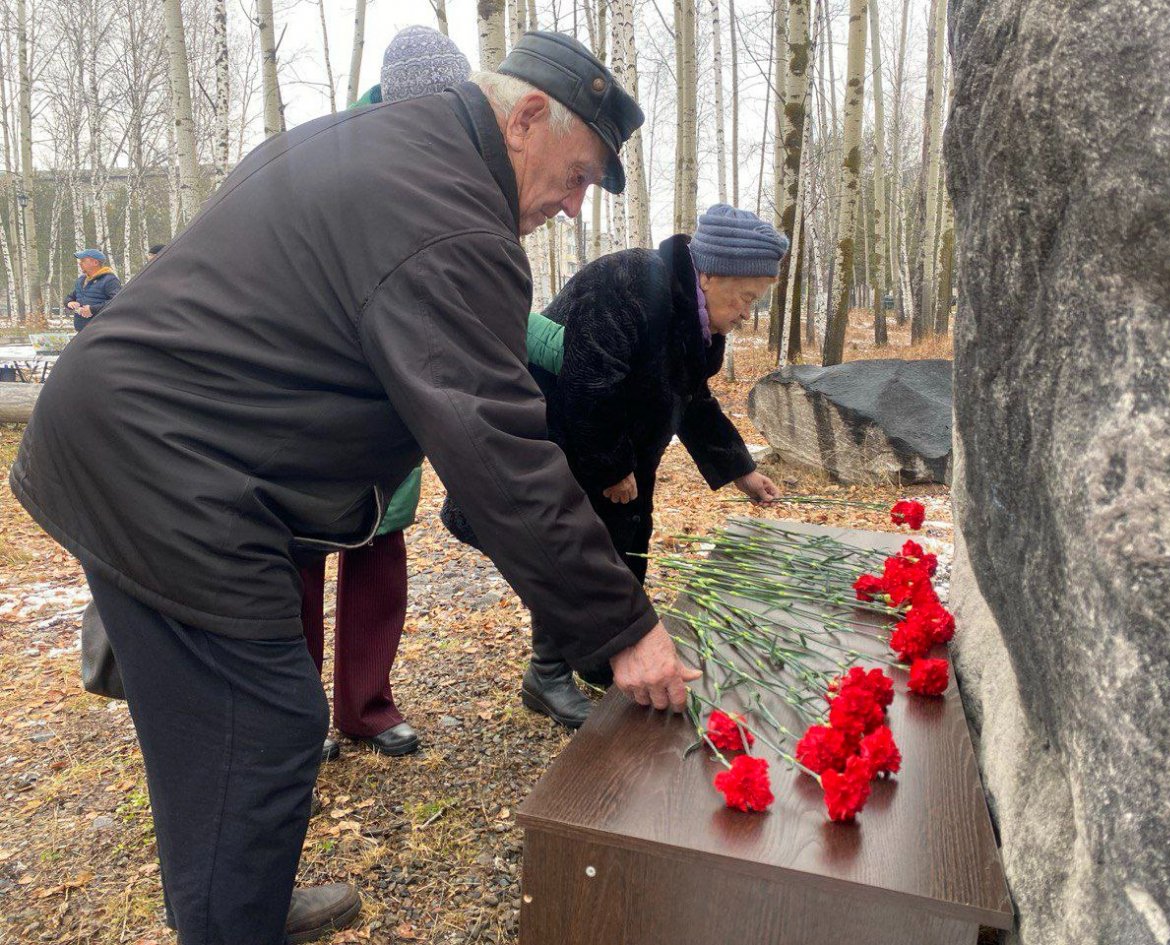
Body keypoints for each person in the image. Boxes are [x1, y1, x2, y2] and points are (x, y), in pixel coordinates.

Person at [10, 31, 698, 945]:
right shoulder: (447, 214)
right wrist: (624, 628)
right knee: (262, 724)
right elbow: (496, 449)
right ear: (527, 116)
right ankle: (230, 921)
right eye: (577, 176)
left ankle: (233, 895)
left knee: (220, 725)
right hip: (167, 465)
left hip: (148, 445)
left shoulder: (378, 145)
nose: (574, 207)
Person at [443, 203, 785, 728]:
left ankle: (605, 659)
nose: (746, 313)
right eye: (745, 299)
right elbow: (587, 383)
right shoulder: (628, 282)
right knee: (564, 554)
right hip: (558, 444)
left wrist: (739, 468)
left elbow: (692, 399)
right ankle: (548, 675)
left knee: (617, 555)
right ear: (711, 273)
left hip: (616, 454)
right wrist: (610, 467)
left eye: (755, 302)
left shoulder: (697, 319)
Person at [302, 25, 473, 763]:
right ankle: (298, 717)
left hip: (394, 398)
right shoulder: (340, 157)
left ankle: (366, 707)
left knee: (379, 556)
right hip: (320, 396)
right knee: (299, 565)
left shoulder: (447, 165)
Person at [64, 249, 121, 332]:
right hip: (81, 331)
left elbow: (117, 302)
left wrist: (92, 309)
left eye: (83, 260)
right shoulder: (82, 280)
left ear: (95, 263)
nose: (80, 263)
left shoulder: (110, 280)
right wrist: (69, 303)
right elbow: (71, 296)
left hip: (101, 332)